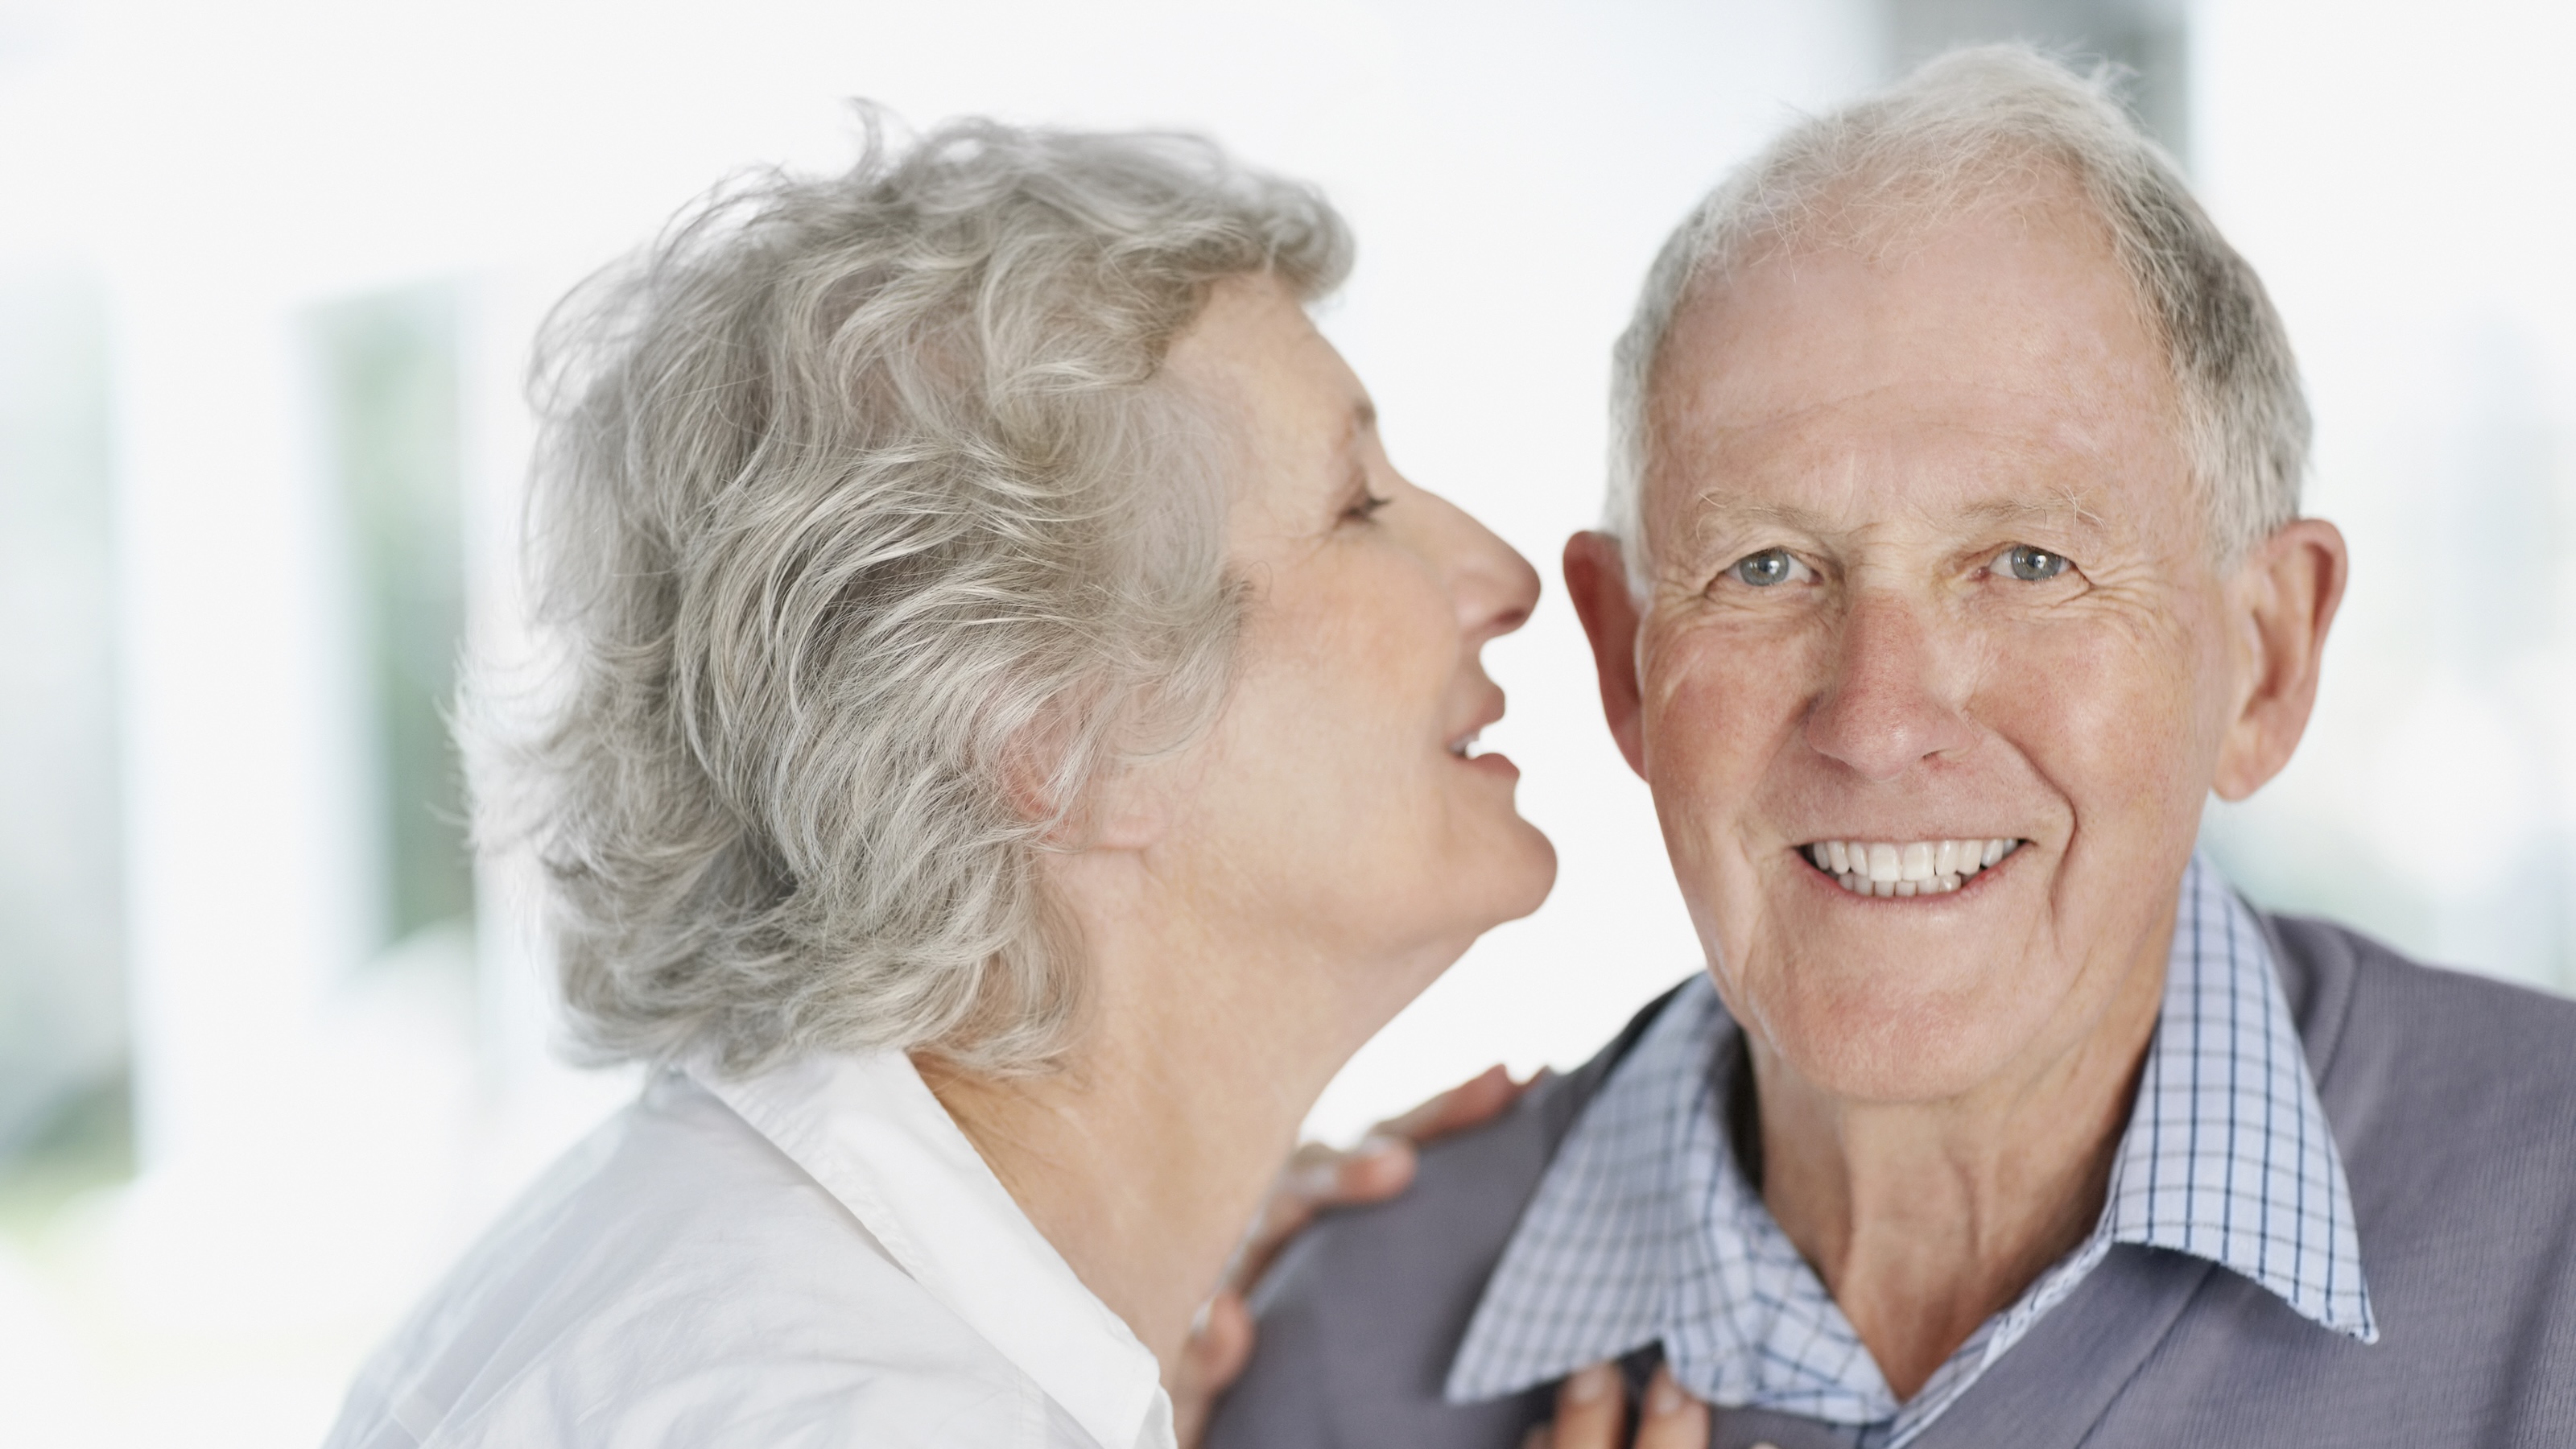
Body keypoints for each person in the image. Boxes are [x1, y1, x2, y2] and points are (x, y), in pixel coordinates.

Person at [1209, 46, 2576, 1449]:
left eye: (2030, 562)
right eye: (1765, 568)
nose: (1875, 722)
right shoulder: (1324, 1350)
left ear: (2266, 661)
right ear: (1626, 657)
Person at [321, 115, 1560, 1449]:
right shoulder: (851, 1408)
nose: (1505, 575)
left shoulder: (733, 1279)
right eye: (1358, 503)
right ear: (1060, 736)